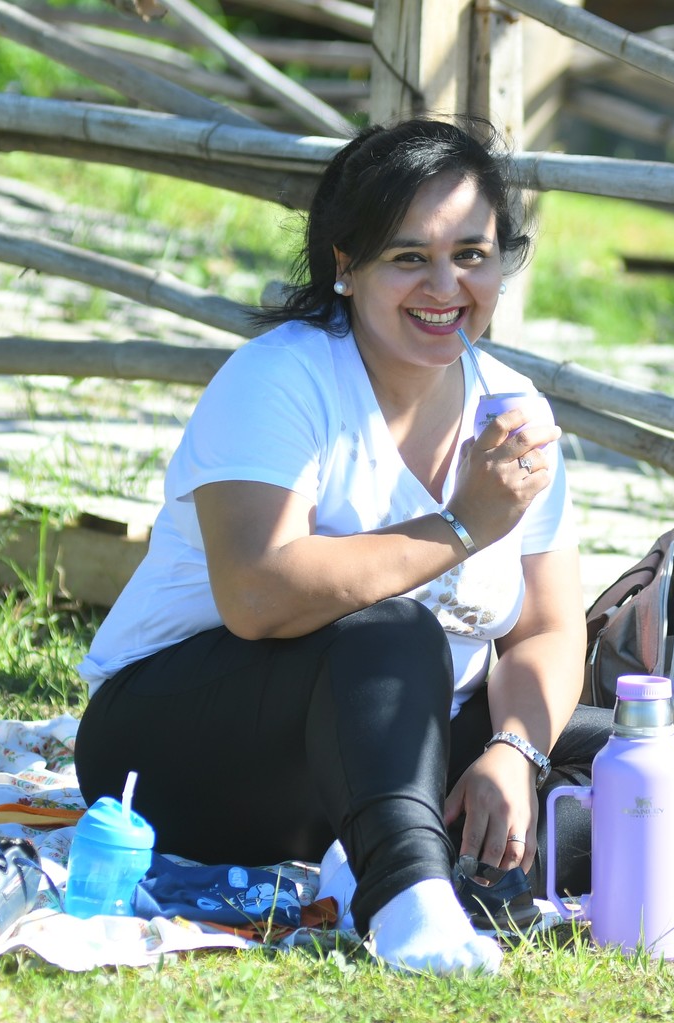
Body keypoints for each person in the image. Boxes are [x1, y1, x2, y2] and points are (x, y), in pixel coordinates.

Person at [74, 117, 617, 976]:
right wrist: (463, 524)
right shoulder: (279, 378)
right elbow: (256, 596)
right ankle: (409, 903)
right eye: (409, 257)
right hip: (177, 741)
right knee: (390, 629)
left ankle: (408, 850)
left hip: (390, 737)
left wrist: (514, 751)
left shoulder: (512, 408)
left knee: (625, 748)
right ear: (345, 263)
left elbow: (547, 629)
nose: (446, 285)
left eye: (472, 255)